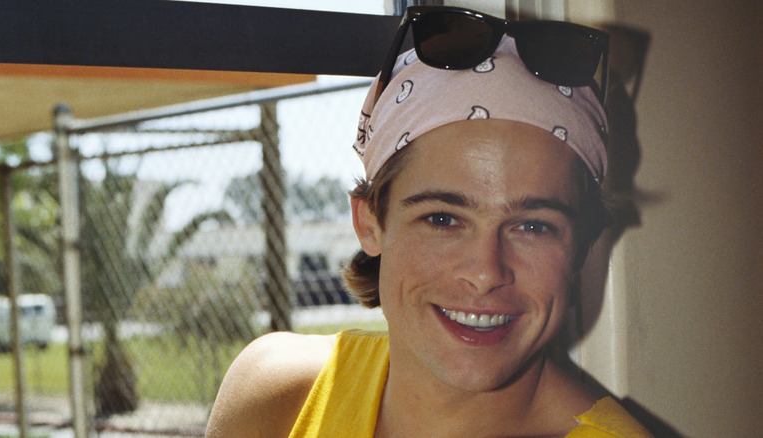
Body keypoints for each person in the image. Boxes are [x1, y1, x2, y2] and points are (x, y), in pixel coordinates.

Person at [207, 6, 652, 437]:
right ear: (369, 223)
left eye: (533, 226)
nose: (484, 273)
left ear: (582, 245)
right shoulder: (276, 395)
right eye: (442, 219)